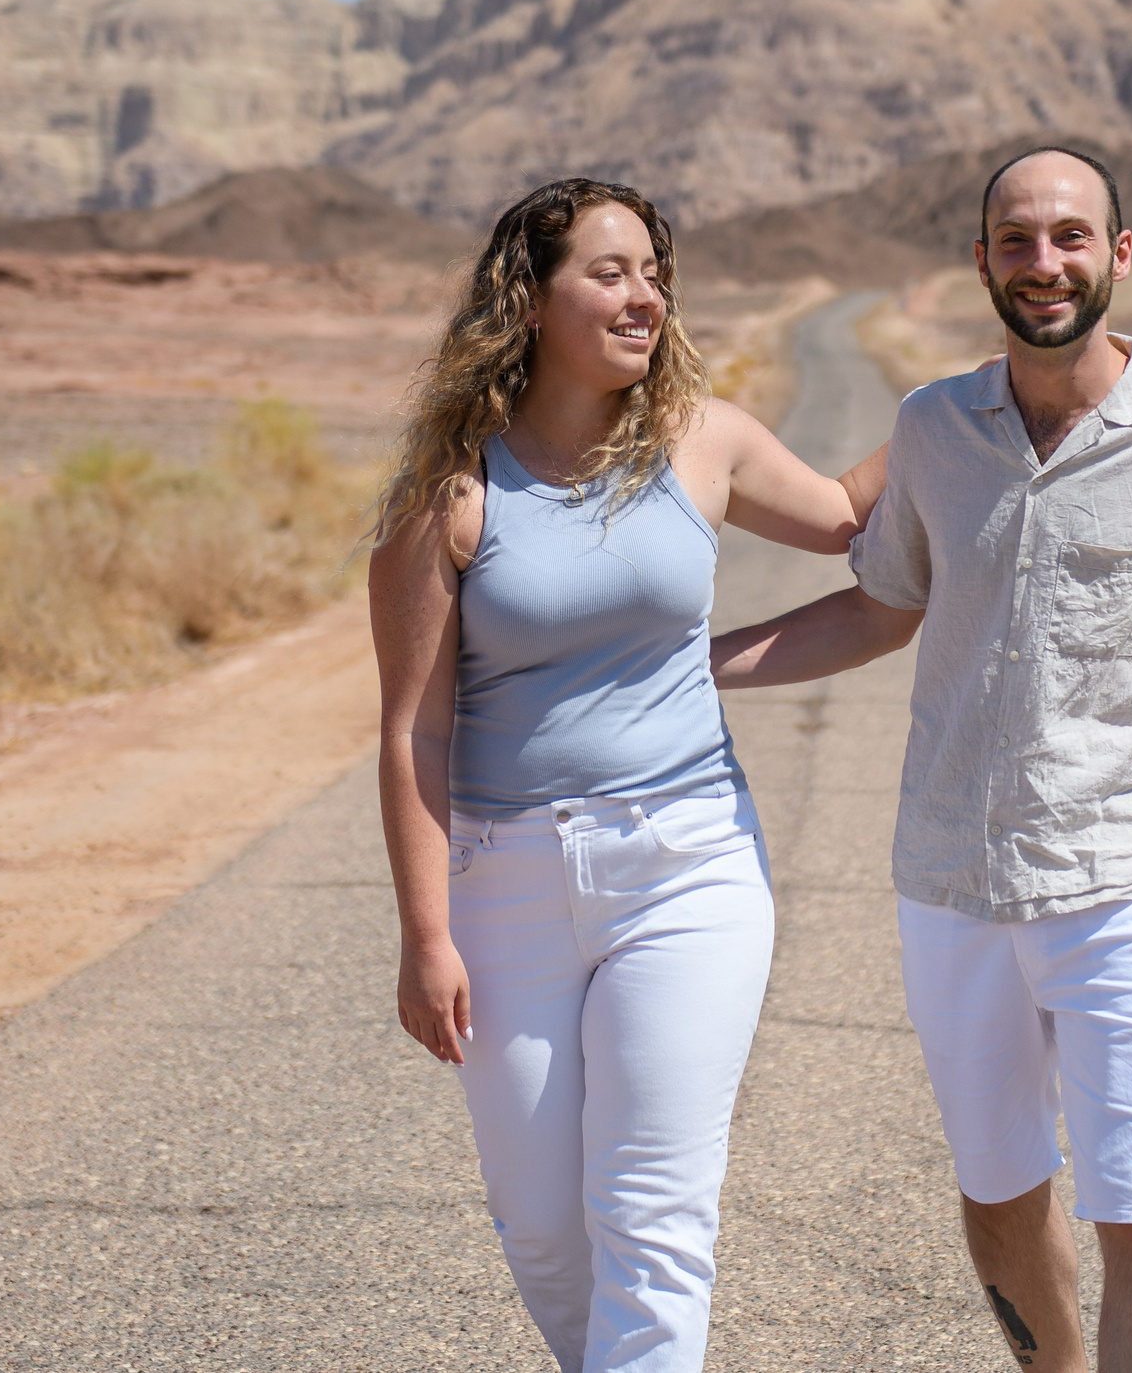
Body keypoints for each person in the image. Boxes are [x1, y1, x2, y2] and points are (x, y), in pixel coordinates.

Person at [706, 146, 1132, 1373]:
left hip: (1125, 871)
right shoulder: (933, 427)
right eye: (1019, 240)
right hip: (952, 877)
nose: (1045, 262)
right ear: (982, 260)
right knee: (994, 1199)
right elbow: (880, 607)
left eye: (1071, 237)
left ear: (1119, 255)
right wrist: (686, 665)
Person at [368, 176, 885, 1373]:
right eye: (610, 272)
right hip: (503, 881)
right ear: (528, 299)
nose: (644, 294)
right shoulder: (453, 492)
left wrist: (970, 406)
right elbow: (414, 732)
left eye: (654, 271)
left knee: (652, 1216)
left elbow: (855, 518)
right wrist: (423, 931)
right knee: (546, 1230)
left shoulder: (704, 438)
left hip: (688, 863)